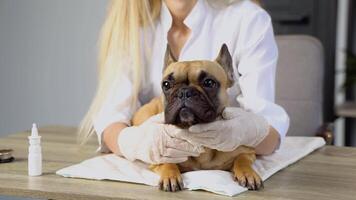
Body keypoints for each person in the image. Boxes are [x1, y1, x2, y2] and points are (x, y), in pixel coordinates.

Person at [79, 0, 290, 165]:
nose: (185, 95)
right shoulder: (131, 26)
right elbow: (111, 117)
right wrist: (134, 143)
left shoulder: (248, 19)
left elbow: (271, 133)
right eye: (169, 86)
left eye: (208, 83)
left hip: (225, 168)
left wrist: (245, 131)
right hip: (161, 171)